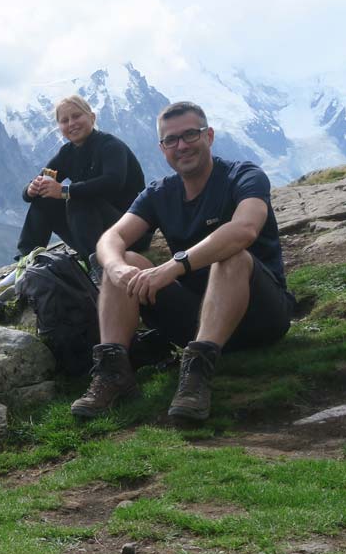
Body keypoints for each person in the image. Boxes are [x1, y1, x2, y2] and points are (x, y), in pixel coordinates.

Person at [71, 101, 295, 421]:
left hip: (261, 316)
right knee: (125, 261)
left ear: (209, 136)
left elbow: (244, 229)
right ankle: (113, 373)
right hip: (195, 316)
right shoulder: (159, 193)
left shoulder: (243, 175)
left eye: (190, 135)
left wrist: (174, 266)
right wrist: (117, 268)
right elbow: (111, 239)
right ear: (162, 149)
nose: (182, 146)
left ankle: (198, 374)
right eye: (171, 140)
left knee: (231, 256)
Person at [17, 94, 150, 270]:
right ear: (59, 127)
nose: (71, 123)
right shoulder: (67, 153)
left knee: (77, 199)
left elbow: (113, 182)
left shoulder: (110, 146)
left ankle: (98, 265)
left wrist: (65, 191)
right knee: (45, 197)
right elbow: (39, 184)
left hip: (130, 231)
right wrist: (32, 189)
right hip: (91, 231)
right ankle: (28, 260)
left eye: (76, 116)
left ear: (92, 117)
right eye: (64, 120)